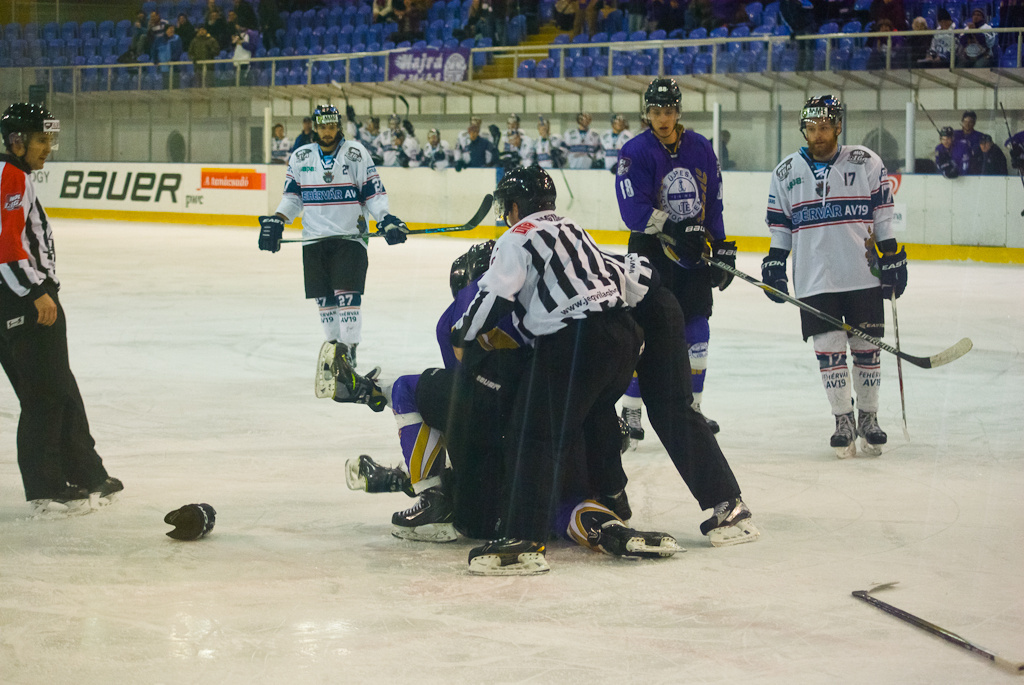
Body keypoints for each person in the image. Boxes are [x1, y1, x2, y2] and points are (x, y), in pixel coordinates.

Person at [449, 166, 647, 574]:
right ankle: (612, 499)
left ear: (517, 206)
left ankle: (524, 538)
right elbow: (631, 278)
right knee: (596, 416)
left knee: (532, 433)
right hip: (624, 336)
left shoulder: (517, 236)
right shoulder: (573, 227)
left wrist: (462, 332)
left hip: (576, 341)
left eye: (508, 205)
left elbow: (493, 296)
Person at [763, 95, 907, 459]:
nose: (818, 135)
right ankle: (843, 419)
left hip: (862, 274)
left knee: (866, 350)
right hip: (813, 278)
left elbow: (883, 218)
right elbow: (780, 226)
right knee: (828, 350)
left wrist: (891, 258)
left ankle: (869, 417)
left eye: (824, 127)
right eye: (811, 129)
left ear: (838, 126)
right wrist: (776, 263)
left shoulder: (866, 162)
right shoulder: (784, 172)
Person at [0, 103, 124, 517]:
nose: (48, 147)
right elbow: (8, 247)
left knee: (57, 387)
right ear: (17, 141)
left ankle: (86, 473)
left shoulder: (13, 174)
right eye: (40, 139)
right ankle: (45, 489)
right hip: (25, 300)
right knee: (45, 396)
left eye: (50, 138)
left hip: (19, 298)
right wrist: (36, 292)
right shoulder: (12, 175)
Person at [616, 77, 734, 435]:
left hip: (693, 250)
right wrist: (674, 226)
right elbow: (632, 210)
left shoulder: (700, 147)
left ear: (678, 112)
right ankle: (631, 410)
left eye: (668, 111)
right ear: (646, 113)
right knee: (644, 332)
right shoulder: (634, 151)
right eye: (655, 111)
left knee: (697, 332)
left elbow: (712, 199)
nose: (663, 119)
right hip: (651, 251)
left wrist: (723, 244)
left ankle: (694, 408)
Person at [257, 105, 410, 376]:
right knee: (325, 300)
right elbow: (293, 198)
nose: (327, 132)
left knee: (347, 295)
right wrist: (278, 219)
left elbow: (373, 193)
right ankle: (332, 349)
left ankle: (348, 351)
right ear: (315, 128)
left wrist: (385, 219)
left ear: (338, 126)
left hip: (349, 236)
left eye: (331, 126)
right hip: (314, 239)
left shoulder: (356, 153)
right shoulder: (301, 156)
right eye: (322, 126)